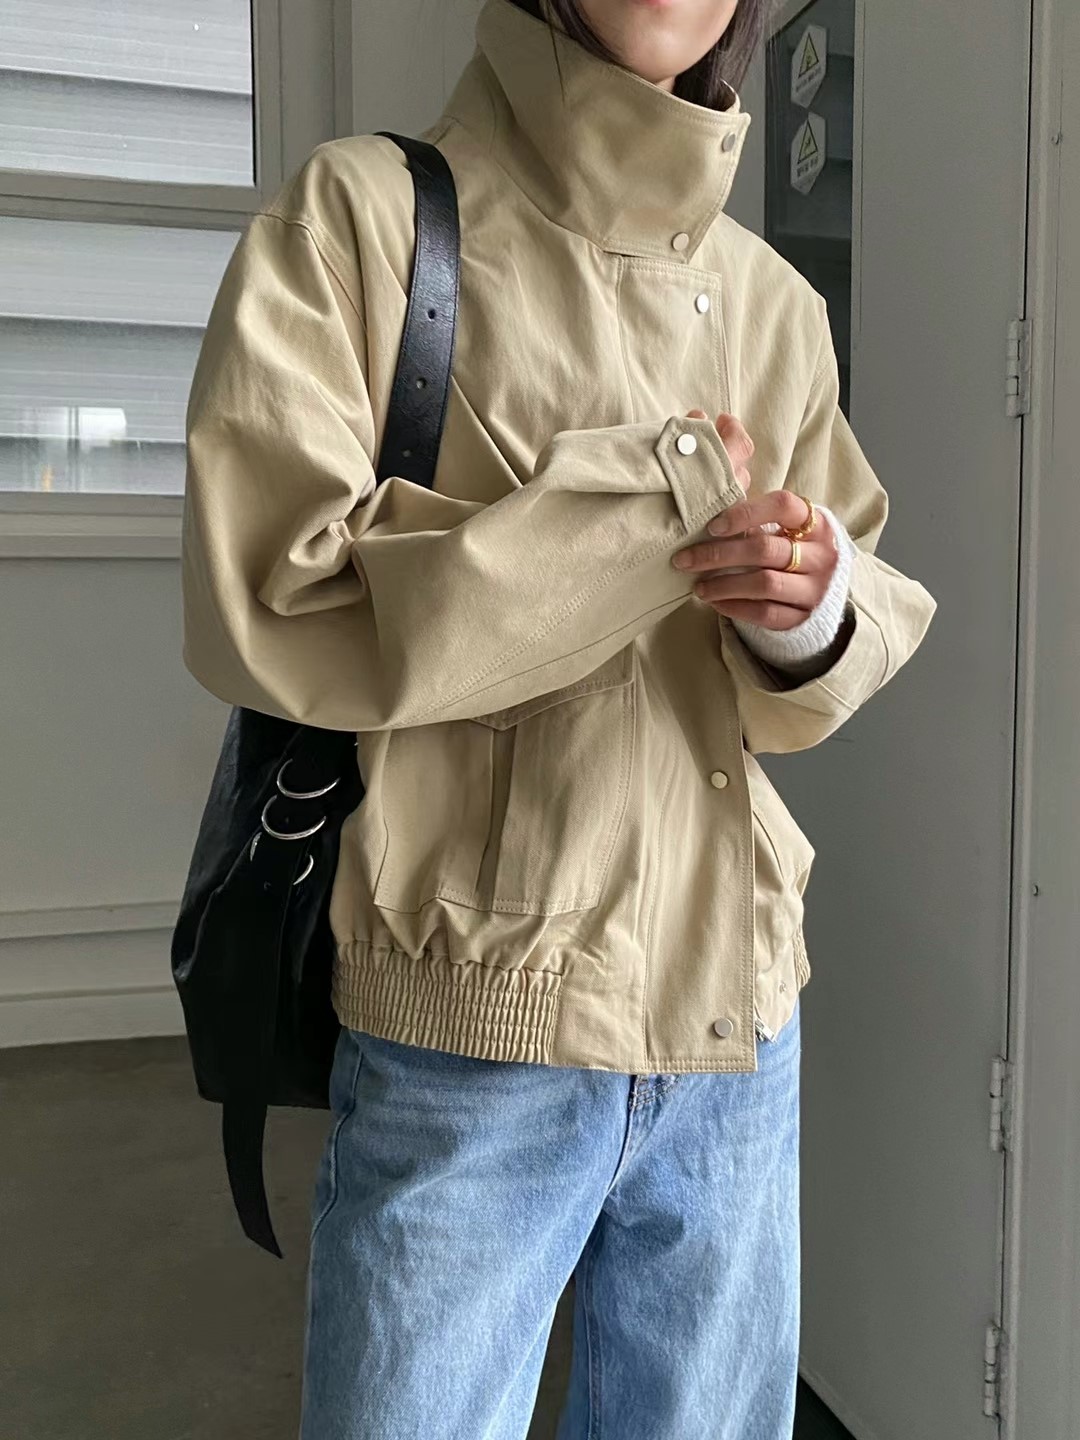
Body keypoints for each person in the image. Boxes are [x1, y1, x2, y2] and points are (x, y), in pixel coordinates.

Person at [180, 0, 936, 1435]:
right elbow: (270, 597)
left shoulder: (774, 303)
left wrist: (807, 610)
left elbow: (842, 618)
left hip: (734, 1020)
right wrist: (658, 502)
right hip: (474, 1015)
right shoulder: (361, 221)